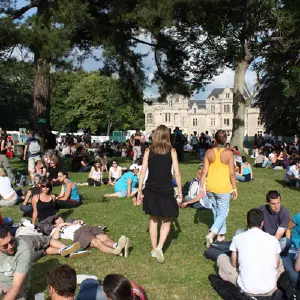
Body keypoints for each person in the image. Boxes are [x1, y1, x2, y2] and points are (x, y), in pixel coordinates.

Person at [138, 125, 182, 263]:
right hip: (166, 188)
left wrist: (140, 190)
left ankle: (154, 248)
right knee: (167, 219)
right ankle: (159, 246)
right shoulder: (172, 151)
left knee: (153, 218)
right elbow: (177, 172)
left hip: (151, 188)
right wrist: (180, 192)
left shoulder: (148, 150)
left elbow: (143, 171)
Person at [217, 209, 284, 297]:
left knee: (221, 258)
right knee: (281, 262)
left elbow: (234, 264)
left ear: (247, 221)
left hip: (246, 289)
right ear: (262, 223)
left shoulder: (238, 238)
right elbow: (276, 264)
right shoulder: (273, 240)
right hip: (270, 288)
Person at [199, 130, 237, 247]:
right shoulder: (229, 154)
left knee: (217, 211)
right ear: (226, 140)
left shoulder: (209, 152)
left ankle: (220, 234)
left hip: (211, 186)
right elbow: (232, 173)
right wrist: (235, 188)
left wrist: (201, 186)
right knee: (223, 213)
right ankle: (213, 232)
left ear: (214, 139)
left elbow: (204, 171)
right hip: (223, 187)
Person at [40, 215, 130, 257]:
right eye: (56, 219)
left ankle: (117, 246)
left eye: (58, 217)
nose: (58, 218)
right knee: (96, 242)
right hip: (78, 234)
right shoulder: (55, 229)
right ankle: (115, 251)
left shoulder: (70, 221)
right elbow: (54, 239)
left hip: (86, 228)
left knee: (103, 237)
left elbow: (79, 222)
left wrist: (78, 221)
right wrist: (59, 227)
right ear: (54, 223)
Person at [0, 224, 31, 299]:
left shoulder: (23, 250)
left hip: (14, 287)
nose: (10, 247)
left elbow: (16, 287)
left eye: (11, 241)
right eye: (5, 246)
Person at [77, 273, 147, 300]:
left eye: (103, 290)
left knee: (82, 295)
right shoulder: (135, 292)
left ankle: (92, 281)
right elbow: (133, 283)